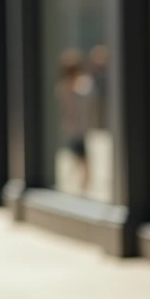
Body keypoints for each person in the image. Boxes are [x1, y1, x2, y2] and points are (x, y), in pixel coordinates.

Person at [57, 49, 95, 194]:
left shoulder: (82, 85)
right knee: (78, 157)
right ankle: (81, 183)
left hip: (78, 127)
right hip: (72, 128)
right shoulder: (65, 87)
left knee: (81, 157)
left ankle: (83, 184)